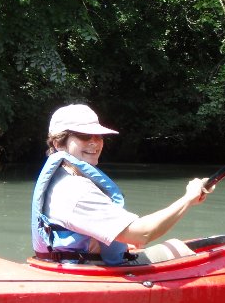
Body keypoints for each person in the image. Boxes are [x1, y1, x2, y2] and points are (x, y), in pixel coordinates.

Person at [31, 104, 211, 265]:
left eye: (98, 135)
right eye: (84, 136)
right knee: (178, 248)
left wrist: (122, 240)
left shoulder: (60, 178)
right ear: (58, 143)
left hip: (74, 261)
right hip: (89, 272)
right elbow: (144, 234)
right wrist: (188, 199)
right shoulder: (76, 190)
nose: (94, 142)